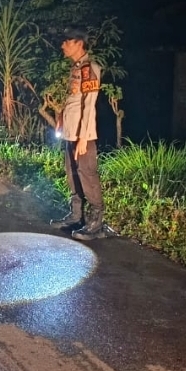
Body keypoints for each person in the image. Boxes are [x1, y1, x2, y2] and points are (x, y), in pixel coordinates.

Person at [50, 27, 114, 241]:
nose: (63, 46)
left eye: (66, 42)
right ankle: (77, 216)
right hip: (71, 131)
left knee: (87, 174)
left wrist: (84, 138)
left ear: (78, 43)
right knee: (72, 174)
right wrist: (61, 118)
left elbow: (89, 105)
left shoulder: (89, 68)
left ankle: (96, 224)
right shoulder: (76, 68)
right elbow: (73, 100)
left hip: (82, 134)